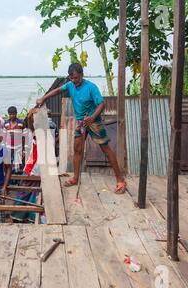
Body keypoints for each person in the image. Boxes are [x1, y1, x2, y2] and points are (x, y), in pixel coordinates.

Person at [36, 63, 126, 194]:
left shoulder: (91, 87)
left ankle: (120, 179)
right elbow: (57, 91)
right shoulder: (70, 85)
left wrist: (92, 117)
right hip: (81, 123)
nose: (74, 81)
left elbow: (102, 104)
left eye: (76, 78)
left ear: (82, 75)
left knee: (105, 148)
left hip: (94, 122)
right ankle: (75, 178)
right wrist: (43, 98)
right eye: (72, 78)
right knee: (77, 149)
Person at [4, 106, 25, 174]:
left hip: (18, 148)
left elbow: (24, 137)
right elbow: (4, 136)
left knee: (17, 166)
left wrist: (24, 149)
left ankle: (17, 180)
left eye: (13, 114)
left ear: (16, 114)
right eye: (10, 114)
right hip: (8, 148)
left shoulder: (21, 123)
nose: (11, 116)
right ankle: (9, 179)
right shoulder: (6, 124)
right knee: (8, 165)